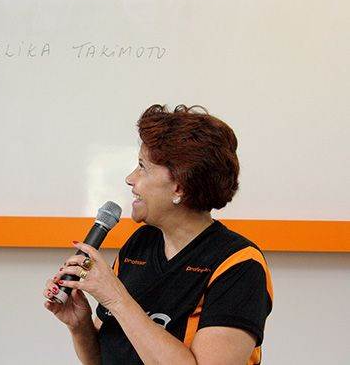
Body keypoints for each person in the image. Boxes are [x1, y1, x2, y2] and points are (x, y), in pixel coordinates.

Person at [44, 105, 273, 364]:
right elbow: (103, 359)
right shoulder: (139, 244)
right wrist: (80, 326)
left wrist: (117, 298)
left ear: (180, 186)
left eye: (142, 167)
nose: (130, 179)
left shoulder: (239, 265)